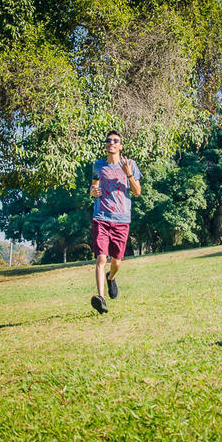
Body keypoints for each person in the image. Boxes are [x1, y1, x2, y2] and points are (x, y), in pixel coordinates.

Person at [88, 130, 141, 314]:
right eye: (108, 140)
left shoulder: (130, 165)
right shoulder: (98, 166)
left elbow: (137, 192)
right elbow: (93, 187)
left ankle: (111, 278)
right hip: (101, 217)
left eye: (115, 141)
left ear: (120, 146)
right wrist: (93, 191)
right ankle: (101, 299)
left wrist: (129, 175)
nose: (111, 143)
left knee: (117, 262)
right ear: (106, 144)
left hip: (121, 220)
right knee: (101, 258)